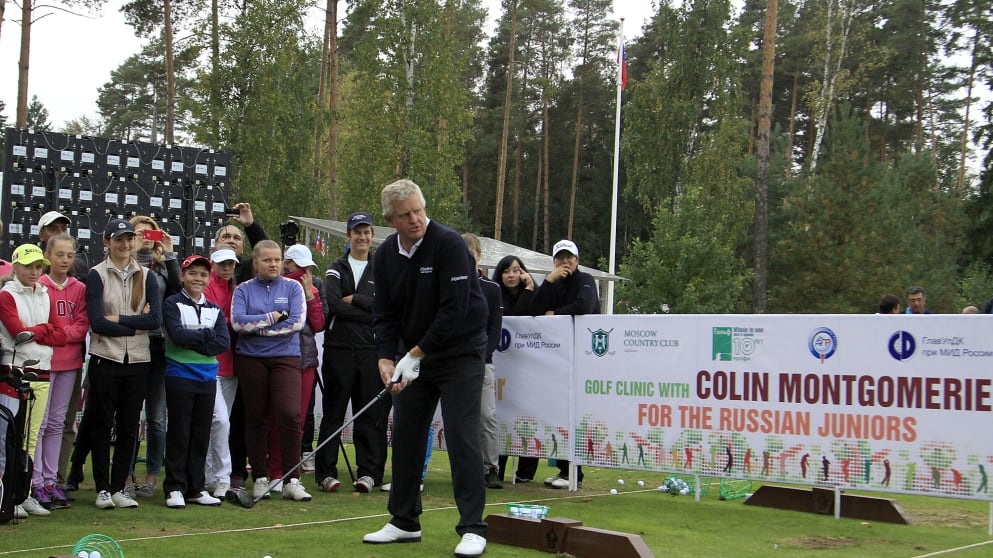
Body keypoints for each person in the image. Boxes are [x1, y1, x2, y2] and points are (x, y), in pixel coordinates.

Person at [362, 179, 489, 558]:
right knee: (405, 433)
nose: (416, 219)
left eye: (419, 210)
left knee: (462, 434)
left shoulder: (448, 244)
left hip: (460, 352)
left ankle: (472, 528)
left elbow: (456, 309)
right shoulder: (384, 256)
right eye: (406, 215)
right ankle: (404, 522)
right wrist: (387, 358)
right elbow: (383, 314)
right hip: (415, 353)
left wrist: (416, 353)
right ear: (391, 219)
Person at [83, 218, 162, 509]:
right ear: (107, 242)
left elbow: (154, 321)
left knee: (130, 426)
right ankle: (102, 488)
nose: (125, 245)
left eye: (129, 239)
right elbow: (97, 321)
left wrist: (118, 320)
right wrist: (132, 325)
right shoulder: (96, 274)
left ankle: (119, 487)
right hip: (106, 357)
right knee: (102, 426)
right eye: (119, 239)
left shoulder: (147, 275)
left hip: (138, 360)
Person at [230, 240, 311, 502]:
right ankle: (261, 477)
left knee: (289, 414)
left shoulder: (293, 287)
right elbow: (238, 323)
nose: (273, 264)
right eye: (267, 260)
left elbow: (297, 322)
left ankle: (292, 479)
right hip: (251, 359)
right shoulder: (243, 289)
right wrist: (274, 317)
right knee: (256, 416)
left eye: (277, 259)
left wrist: (260, 327)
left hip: (286, 357)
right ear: (255, 262)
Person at [317, 211, 389, 494]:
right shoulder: (336, 267)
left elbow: (384, 307)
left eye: (366, 232)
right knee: (333, 413)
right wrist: (367, 310)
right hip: (338, 350)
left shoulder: (380, 269)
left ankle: (369, 473)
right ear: (348, 236)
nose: (362, 237)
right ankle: (325, 473)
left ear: (372, 237)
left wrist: (357, 301)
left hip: (371, 351)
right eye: (357, 232)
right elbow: (334, 304)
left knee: (368, 414)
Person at [0, 244, 68, 515]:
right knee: (9, 437)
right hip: (14, 370)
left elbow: (61, 336)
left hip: (42, 369)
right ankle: (7, 496)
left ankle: (23, 493)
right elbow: (17, 333)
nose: (34, 271)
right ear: (16, 267)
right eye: (29, 266)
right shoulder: (7, 295)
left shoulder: (45, 294)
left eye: (38, 266)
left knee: (31, 436)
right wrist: (45, 330)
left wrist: (36, 331)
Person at [161, 254, 230, 508]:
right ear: (182, 275)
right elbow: (177, 335)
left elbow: (222, 343)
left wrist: (197, 338)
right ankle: (174, 487)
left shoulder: (214, 310)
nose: (197, 279)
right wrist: (205, 337)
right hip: (179, 375)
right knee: (180, 431)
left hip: (207, 377)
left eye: (203, 274)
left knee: (201, 433)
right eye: (192, 273)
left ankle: (196, 488)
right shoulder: (172, 304)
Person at [530, 239, 599, 489]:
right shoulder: (554, 283)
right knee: (558, 414)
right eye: (560, 258)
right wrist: (548, 281)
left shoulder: (586, 280)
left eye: (569, 257)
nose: (565, 262)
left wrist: (555, 314)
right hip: (558, 358)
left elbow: (584, 306)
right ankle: (564, 469)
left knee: (576, 416)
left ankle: (574, 473)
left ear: (577, 261)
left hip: (584, 357)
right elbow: (534, 309)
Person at [213, 203, 269, 490]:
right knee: (215, 420)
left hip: (245, 357)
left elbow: (266, 250)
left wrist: (250, 225)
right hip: (214, 360)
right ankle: (209, 474)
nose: (233, 240)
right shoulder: (204, 274)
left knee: (240, 417)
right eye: (226, 236)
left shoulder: (247, 270)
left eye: (237, 238)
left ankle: (236, 472)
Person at [32, 235, 88, 510]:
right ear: (48, 256)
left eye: (69, 255)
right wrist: (59, 334)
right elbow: (39, 326)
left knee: (57, 423)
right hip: (44, 363)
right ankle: (36, 482)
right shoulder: (39, 286)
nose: (64, 260)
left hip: (70, 364)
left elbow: (82, 325)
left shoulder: (79, 288)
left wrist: (59, 334)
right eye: (59, 255)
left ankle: (52, 482)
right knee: (39, 425)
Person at [264, 244, 324, 494]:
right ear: (287, 264)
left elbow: (319, 323)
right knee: (275, 416)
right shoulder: (275, 286)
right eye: (299, 268)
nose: (303, 273)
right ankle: (274, 471)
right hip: (276, 356)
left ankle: (290, 474)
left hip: (305, 359)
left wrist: (310, 296)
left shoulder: (313, 290)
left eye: (307, 268)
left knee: (295, 419)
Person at [128, 215, 181, 498]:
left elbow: (179, 290)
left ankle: (151, 474)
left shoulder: (162, 267)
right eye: (138, 234)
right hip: (131, 344)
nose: (145, 239)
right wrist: (132, 254)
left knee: (157, 417)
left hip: (159, 346)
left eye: (151, 235)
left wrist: (170, 253)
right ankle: (125, 473)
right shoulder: (124, 265)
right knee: (129, 415)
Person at [461, 233, 504, 490]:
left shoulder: (492, 289)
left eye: (472, 255)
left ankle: (490, 467)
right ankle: (467, 468)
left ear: (479, 256)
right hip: (453, 364)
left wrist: (479, 356)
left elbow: (494, 329)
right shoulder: (450, 284)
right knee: (462, 419)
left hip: (482, 362)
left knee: (486, 416)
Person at [492, 255, 537, 483]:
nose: (512, 275)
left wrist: (529, 289)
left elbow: (528, 316)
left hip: (527, 367)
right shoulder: (494, 294)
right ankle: (496, 468)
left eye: (517, 270)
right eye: (507, 271)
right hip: (500, 365)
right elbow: (511, 317)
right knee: (501, 415)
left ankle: (526, 471)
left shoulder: (531, 293)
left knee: (528, 414)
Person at [202, 248, 240, 498]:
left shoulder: (235, 288)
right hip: (211, 364)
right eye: (222, 264)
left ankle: (210, 477)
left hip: (231, 365)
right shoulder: (208, 287)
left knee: (218, 423)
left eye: (230, 264)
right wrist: (236, 318)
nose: (226, 268)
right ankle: (222, 477)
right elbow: (214, 319)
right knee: (219, 421)